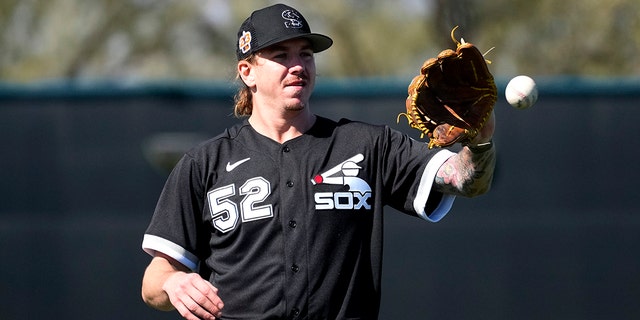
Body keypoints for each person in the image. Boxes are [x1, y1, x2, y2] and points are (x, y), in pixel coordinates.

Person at [141, 3, 496, 320]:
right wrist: (173, 281)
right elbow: (154, 280)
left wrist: (480, 139)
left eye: (305, 54)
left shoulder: (367, 145)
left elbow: (465, 180)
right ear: (247, 71)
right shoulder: (205, 163)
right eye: (280, 55)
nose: (297, 66)